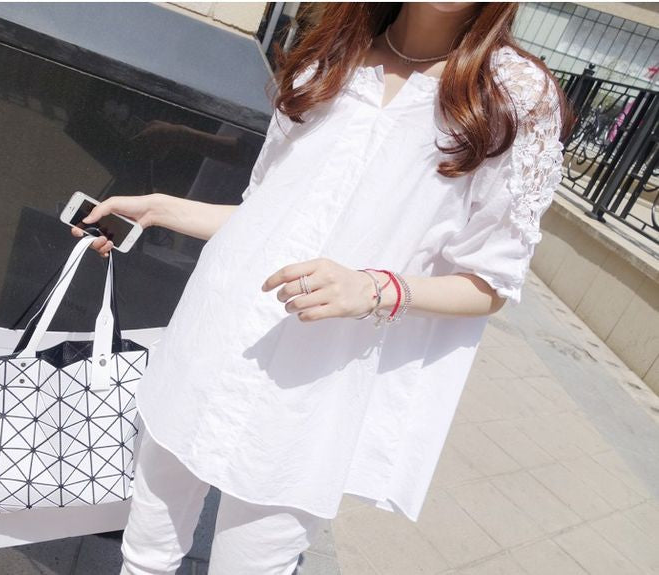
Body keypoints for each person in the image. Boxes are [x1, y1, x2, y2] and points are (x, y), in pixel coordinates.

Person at [73, 3, 574, 574]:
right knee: (145, 553)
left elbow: (490, 281)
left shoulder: (513, 94)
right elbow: (265, 215)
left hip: (318, 381)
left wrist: (375, 289)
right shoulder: (332, 53)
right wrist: (159, 209)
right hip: (212, 335)